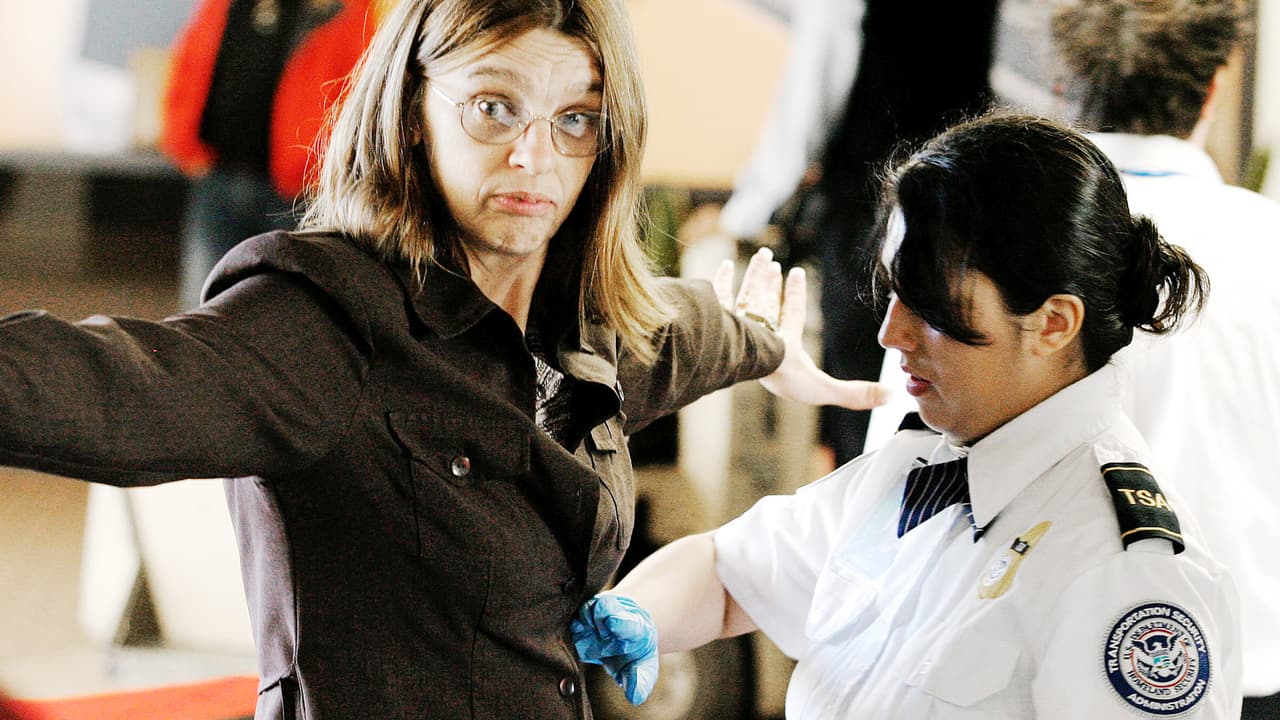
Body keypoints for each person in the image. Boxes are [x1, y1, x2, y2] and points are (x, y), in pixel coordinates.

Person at [0, 0, 886, 717]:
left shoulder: (593, 330)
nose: (534, 156)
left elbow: (687, 333)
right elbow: (105, 384)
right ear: (413, 112)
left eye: (575, 120)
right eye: (494, 108)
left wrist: (766, 344)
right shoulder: (325, 328)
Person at [572, 113, 1243, 718]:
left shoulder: (1127, 576)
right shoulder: (917, 467)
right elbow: (728, 575)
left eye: (933, 308)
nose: (891, 335)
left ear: (1053, 323)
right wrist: (641, 613)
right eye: (893, 292)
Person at [1049, 1, 1280, 714]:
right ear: (1213, 88)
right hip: (1243, 667)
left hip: (1037, 668)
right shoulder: (1270, 242)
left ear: (1066, 82)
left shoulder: (990, 238)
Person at [703, 0, 999, 468]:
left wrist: (750, 209)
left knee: (863, 382)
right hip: (962, 201)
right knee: (943, 376)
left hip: (870, 205)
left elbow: (812, 91)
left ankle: (865, 495)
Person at [160, 0, 377, 308]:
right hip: (219, 180)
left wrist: (317, 173)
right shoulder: (224, 6)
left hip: (296, 196)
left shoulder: (345, 12)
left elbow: (359, 98)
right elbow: (190, 63)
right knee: (203, 308)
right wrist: (183, 143)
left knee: (284, 310)